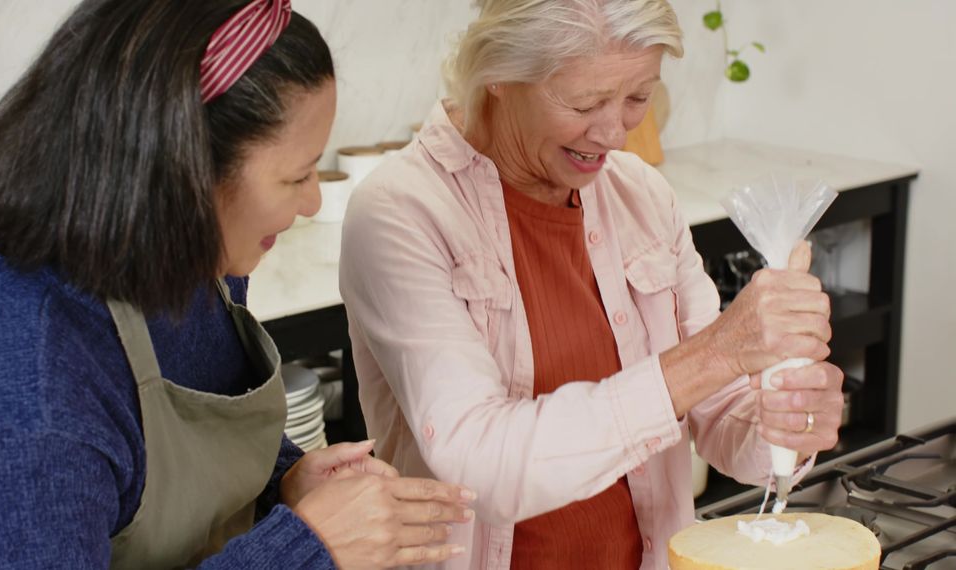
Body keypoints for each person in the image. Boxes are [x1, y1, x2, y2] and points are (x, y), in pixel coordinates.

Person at [0, 1, 475, 568]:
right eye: (296, 177)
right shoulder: (19, 402)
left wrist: (283, 483)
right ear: (184, 174)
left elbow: (170, 472)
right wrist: (307, 548)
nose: (312, 201)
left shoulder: (184, 259)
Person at [337, 0, 845, 568]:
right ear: (499, 73)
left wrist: (785, 426)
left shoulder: (643, 197)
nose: (614, 135)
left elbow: (725, 418)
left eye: (637, 98)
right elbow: (479, 465)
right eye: (584, 102)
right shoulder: (399, 213)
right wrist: (715, 354)